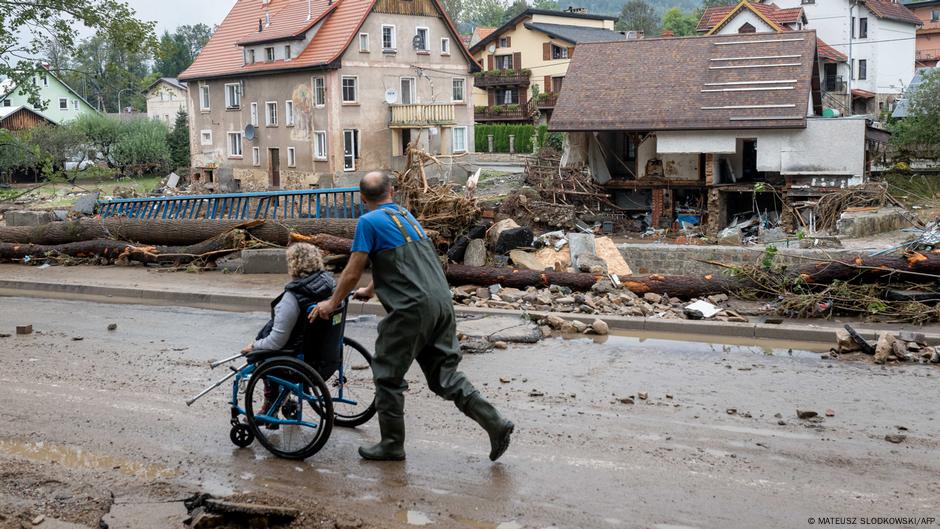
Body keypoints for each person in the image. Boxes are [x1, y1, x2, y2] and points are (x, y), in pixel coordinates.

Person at [311, 171, 514, 462]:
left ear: (362, 198)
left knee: (387, 374)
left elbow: (353, 270)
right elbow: (402, 262)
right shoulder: (405, 216)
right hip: (441, 302)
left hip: (411, 309)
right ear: (391, 192)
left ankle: (392, 444)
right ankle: (495, 423)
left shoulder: (368, 222)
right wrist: (371, 288)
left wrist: (332, 303)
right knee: (444, 376)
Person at [242, 243, 336, 427]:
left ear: (293, 265)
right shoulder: (329, 284)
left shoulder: (292, 298)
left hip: (298, 360)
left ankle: (270, 406)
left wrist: (254, 346)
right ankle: (285, 399)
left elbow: (277, 342)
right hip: (325, 355)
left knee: (259, 357)